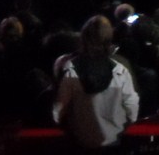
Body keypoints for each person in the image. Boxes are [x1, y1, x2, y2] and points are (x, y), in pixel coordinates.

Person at [53, 14, 140, 150]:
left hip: (80, 144)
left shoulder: (70, 69)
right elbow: (132, 109)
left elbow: (58, 112)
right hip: (114, 143)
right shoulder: (121, 68)